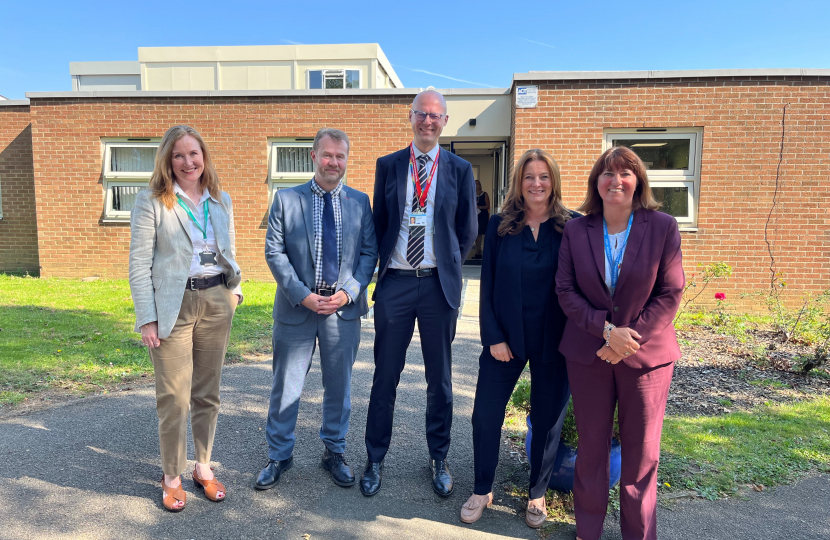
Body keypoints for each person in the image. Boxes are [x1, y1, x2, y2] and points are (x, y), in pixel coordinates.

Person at [555, 146, 684, 540]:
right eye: (608, 173)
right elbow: (565, 289)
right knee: (591, 452)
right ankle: (587, 532)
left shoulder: (662, 226)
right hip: (589, 355)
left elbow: (670, 291)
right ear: (597, 182)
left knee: (642, 456)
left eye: (626, 173)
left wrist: (629, 339)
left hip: (647, 360)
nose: (617, 180)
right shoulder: (577, 229)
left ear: (638, 181)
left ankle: (639, 535)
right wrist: (607, 331)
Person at [361, 89, 478, 498]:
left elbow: (467, 230)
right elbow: (380, 222)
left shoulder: (460, 169)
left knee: (440, 380)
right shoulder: (389, 165)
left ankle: (439, 456)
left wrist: (446, 264)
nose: (428, 122)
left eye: (435, 116)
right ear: (410, 117)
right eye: (421, 115)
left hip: (436, 286)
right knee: (385, 376)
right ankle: (374, 458)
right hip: (394, 283)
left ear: (445, 121)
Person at [256, 128, 378, 491]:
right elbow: (274, 252)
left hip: (342, 310)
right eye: (327, 155)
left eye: (340, 156)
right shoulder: (286, 200)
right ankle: (279, 454)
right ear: (313, 156)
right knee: (286, 385)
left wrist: (350, 292)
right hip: (298, 307)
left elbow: (369, 253)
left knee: (339, 387)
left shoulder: (360, 202)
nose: (333, 163)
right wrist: (301, 294)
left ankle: (334, 452)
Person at [129, 124, 243, 512]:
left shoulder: (221, 199)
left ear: (204, 156)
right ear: (168, 160)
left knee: (207, 393)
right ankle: (172, 475)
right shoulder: (152, 202)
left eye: (194, 154)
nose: (187, 162)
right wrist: (147, 317)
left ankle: (203, 466)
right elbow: (139, 264)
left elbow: (229, 248)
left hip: (216, 299)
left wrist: (235, 291)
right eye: (179, 155)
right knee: (175, 398)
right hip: (171, 308)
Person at [460, 149, 574, 528]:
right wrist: (492, 335)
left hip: (554, 342)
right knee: (485, 415)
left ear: (553, 181)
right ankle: (482, 489)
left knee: (547, 420)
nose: (536, 183)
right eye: (529, 176)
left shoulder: (571, 226)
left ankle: (537, 494)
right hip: (504, 340)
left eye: (543, 176)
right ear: (519, 183)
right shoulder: (498, 225)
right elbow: (487, 284)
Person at [473, 180, 490, 258]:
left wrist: (479, 207)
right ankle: (478, 250)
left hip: (483, 216)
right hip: (475, 216)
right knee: (477, 233)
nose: (477, 186)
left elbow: (487, 206)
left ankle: (483, 251)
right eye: (475, 184)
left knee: (483, 232)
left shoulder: (484, 194)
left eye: (478, 184)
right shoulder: (472, 194)